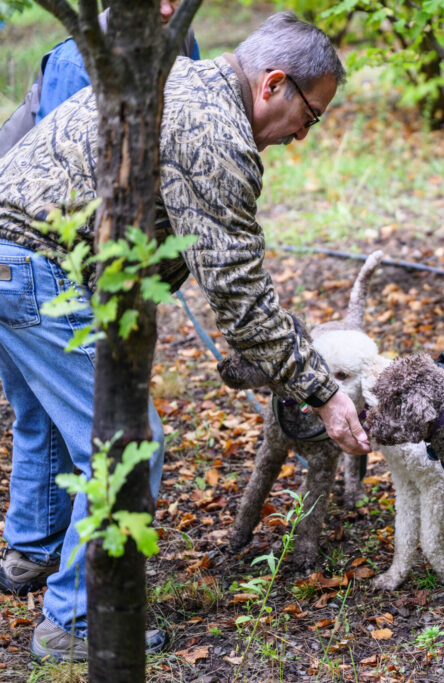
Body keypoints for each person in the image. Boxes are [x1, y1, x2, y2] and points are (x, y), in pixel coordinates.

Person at [0, 11, 369, 661]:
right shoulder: (216, 132)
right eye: (311, 116)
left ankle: (33, 554)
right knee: (127, 440)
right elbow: (240, 295)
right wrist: (323, 393)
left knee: (56, 416)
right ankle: (74, 620)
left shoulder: (186, 79)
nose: (304, 137)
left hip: (14, 251)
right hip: (34, 267)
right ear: (273, 84)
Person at [0, 0, 199, 158]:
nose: (165, 10)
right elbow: (51, 163)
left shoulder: (181, 36)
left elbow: (193, 117)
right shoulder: (76, 62)